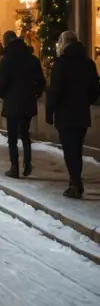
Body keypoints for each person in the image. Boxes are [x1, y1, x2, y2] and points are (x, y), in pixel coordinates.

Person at [46, 30, 100, 197]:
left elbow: (54, 91)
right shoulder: (88, 63)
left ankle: (75, 183)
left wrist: (50, 111)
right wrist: (87, 100)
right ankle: (75, 181)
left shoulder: (61, 64)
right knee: (77, 148)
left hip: (65, 114)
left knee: (70, 151)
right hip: (82, 113)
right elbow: (95, 89)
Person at [0, 30, 46, 178]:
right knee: (25, 134)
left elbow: (1, 82)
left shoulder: (7, 60)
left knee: (12, 137)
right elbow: (41, 82)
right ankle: (28, 163)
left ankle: (14, 167)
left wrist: (4, 95)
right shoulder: (32, 59)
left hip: (12, 102)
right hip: (27, 102)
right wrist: (34, 94)